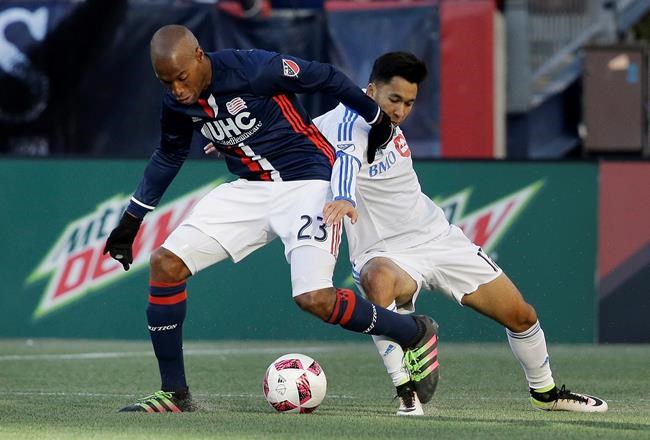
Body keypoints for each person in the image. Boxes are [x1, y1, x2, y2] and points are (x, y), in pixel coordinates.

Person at [103, 26, 439, 413]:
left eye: (181, 77)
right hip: (251, 189)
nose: (177, 90)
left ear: (198, 56)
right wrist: (131, 221)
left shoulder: (253, 69)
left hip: (308, 183)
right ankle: (175, 393)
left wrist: (376, 117)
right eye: (166, 82)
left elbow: (326, 77)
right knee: (165, 264)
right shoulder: (177, 103)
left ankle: (413, 330)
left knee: (315, 299)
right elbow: (168, 155)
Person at [314, 52, 608, 416]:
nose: (401, 111)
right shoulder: (344, 124)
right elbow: (343, 156)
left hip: (438, 238)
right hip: (384, 252)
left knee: (522, 316)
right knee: (377, 279)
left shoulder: (381, 117)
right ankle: (405, 389)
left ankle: (544, 393)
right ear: (371, 91)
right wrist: (341, 195)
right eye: (394, 100)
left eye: (409, 103)